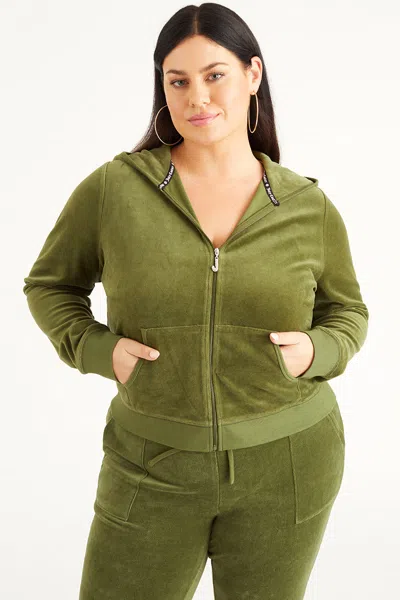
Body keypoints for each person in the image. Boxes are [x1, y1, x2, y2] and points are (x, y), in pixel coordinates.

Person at [22, 3, 369, 599]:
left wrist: (318, 351)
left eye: (215, 75)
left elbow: (348, 312)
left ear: (253, 75)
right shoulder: (116, 190)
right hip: (151, 462)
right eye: (177, 81)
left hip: (290, 463)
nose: (197, 98)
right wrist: (99, 351)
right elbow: (50, 285)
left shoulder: (304, 206)